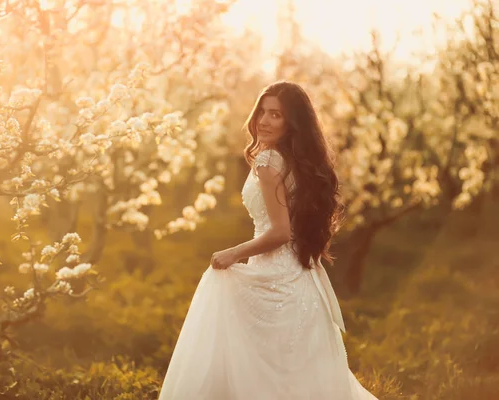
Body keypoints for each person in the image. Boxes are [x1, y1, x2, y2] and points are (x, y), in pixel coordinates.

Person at [158, 81, 379, 400]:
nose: (264, 120)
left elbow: (280, 232)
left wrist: (233, 253)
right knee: (290, 375)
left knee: (262, 373)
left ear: (292, 123)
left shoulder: (268, 162)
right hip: (302, 279)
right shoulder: (296, 161)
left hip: (277, 278)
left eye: (275, 114)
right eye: (262, 111)